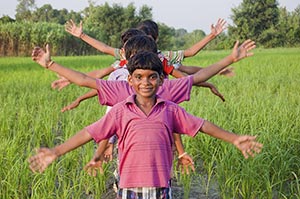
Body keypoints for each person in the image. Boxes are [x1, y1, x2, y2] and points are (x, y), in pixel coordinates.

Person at [28, 51, 263, 199]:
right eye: (139, 77)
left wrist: (233, 138)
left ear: (161, 80)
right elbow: (90, 132)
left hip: (161, 188)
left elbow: (202, 125)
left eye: (152, 77)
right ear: (129, 80)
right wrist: (56, 151)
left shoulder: (170, 109)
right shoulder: (121, 111)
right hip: (129, 188)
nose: (146, 82)